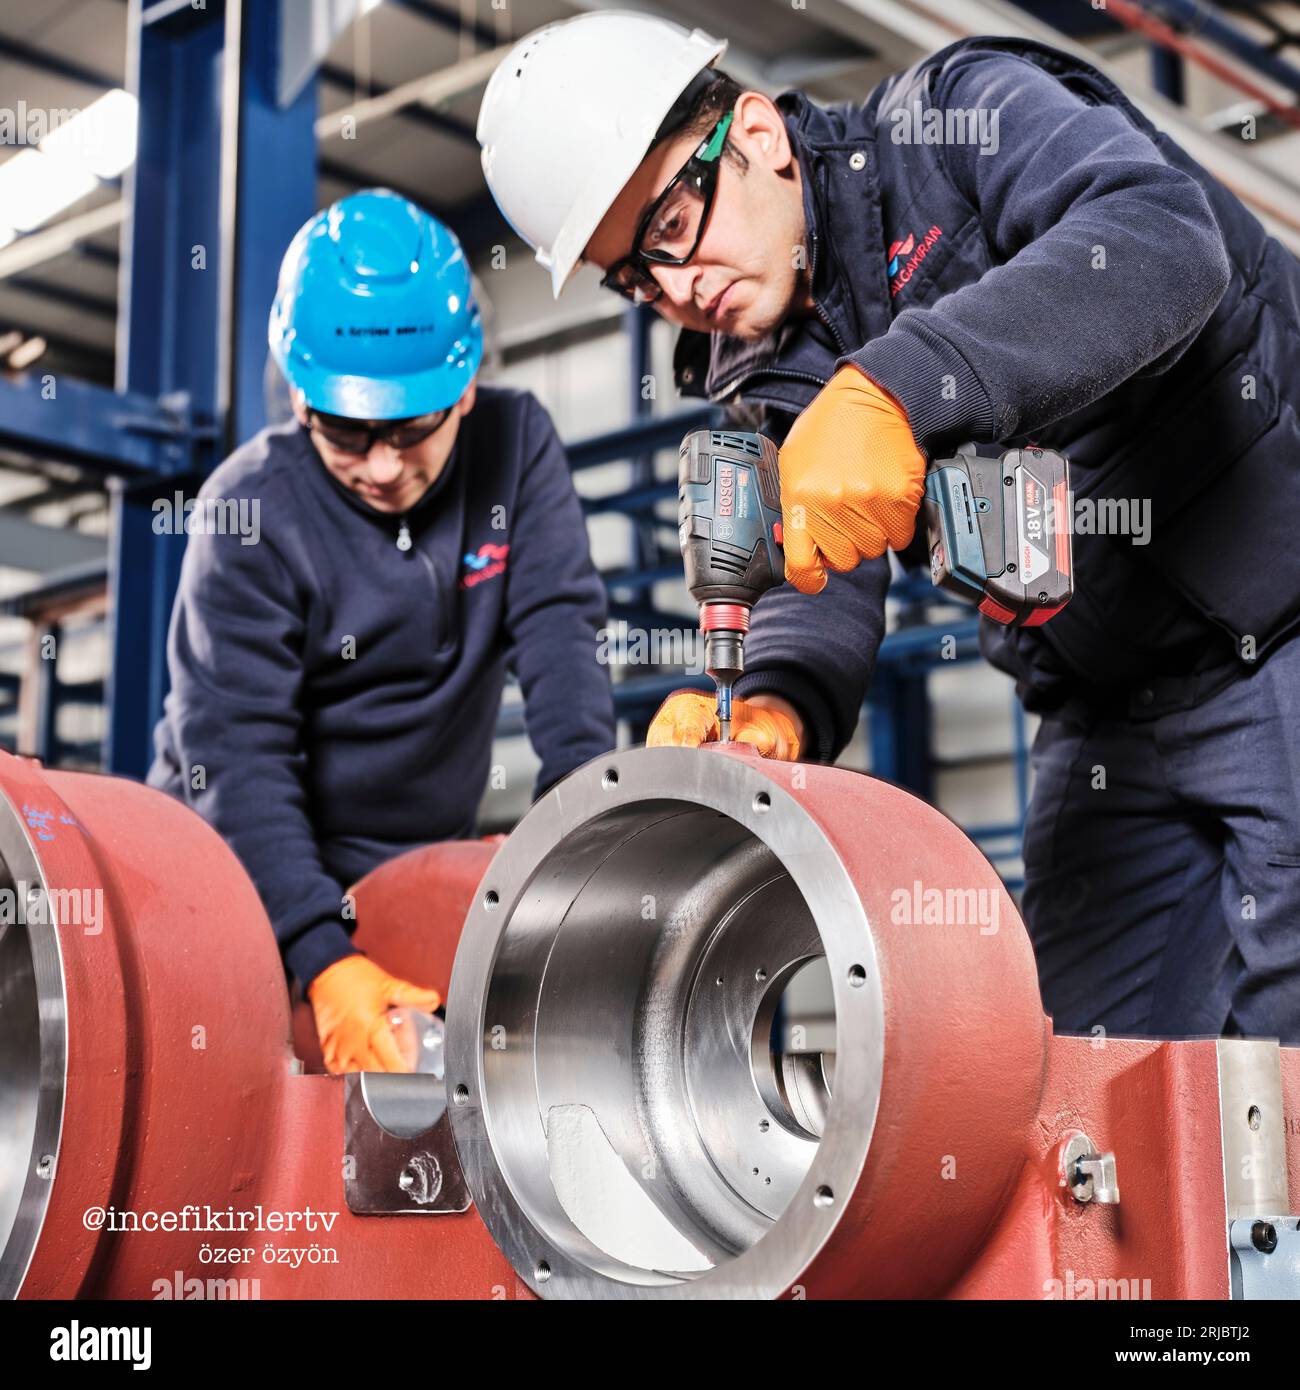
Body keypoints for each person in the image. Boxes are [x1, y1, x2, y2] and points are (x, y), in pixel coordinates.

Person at [477, 14, 1300, 1043]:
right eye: (636, 279)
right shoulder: (766, 368)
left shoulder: (957, 120)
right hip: (1103, 715)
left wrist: (902, 386)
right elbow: (826, 568)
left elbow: (1159, 241)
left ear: (758, 134)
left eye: (670, 226)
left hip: (1279, 637)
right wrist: (775, 699)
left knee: (1287, 1070)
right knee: (1092, 1090)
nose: (676, 290)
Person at [149, 189, 615, 1071]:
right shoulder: (249, 509)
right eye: (346, 434)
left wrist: (580, 852)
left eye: (411, 428)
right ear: (298, 396)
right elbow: (238, 753)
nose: (384, 467)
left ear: (466, 384)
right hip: (242, 873)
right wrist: (320, 957)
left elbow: (561, 639)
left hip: (408, 867)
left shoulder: (517, 446)